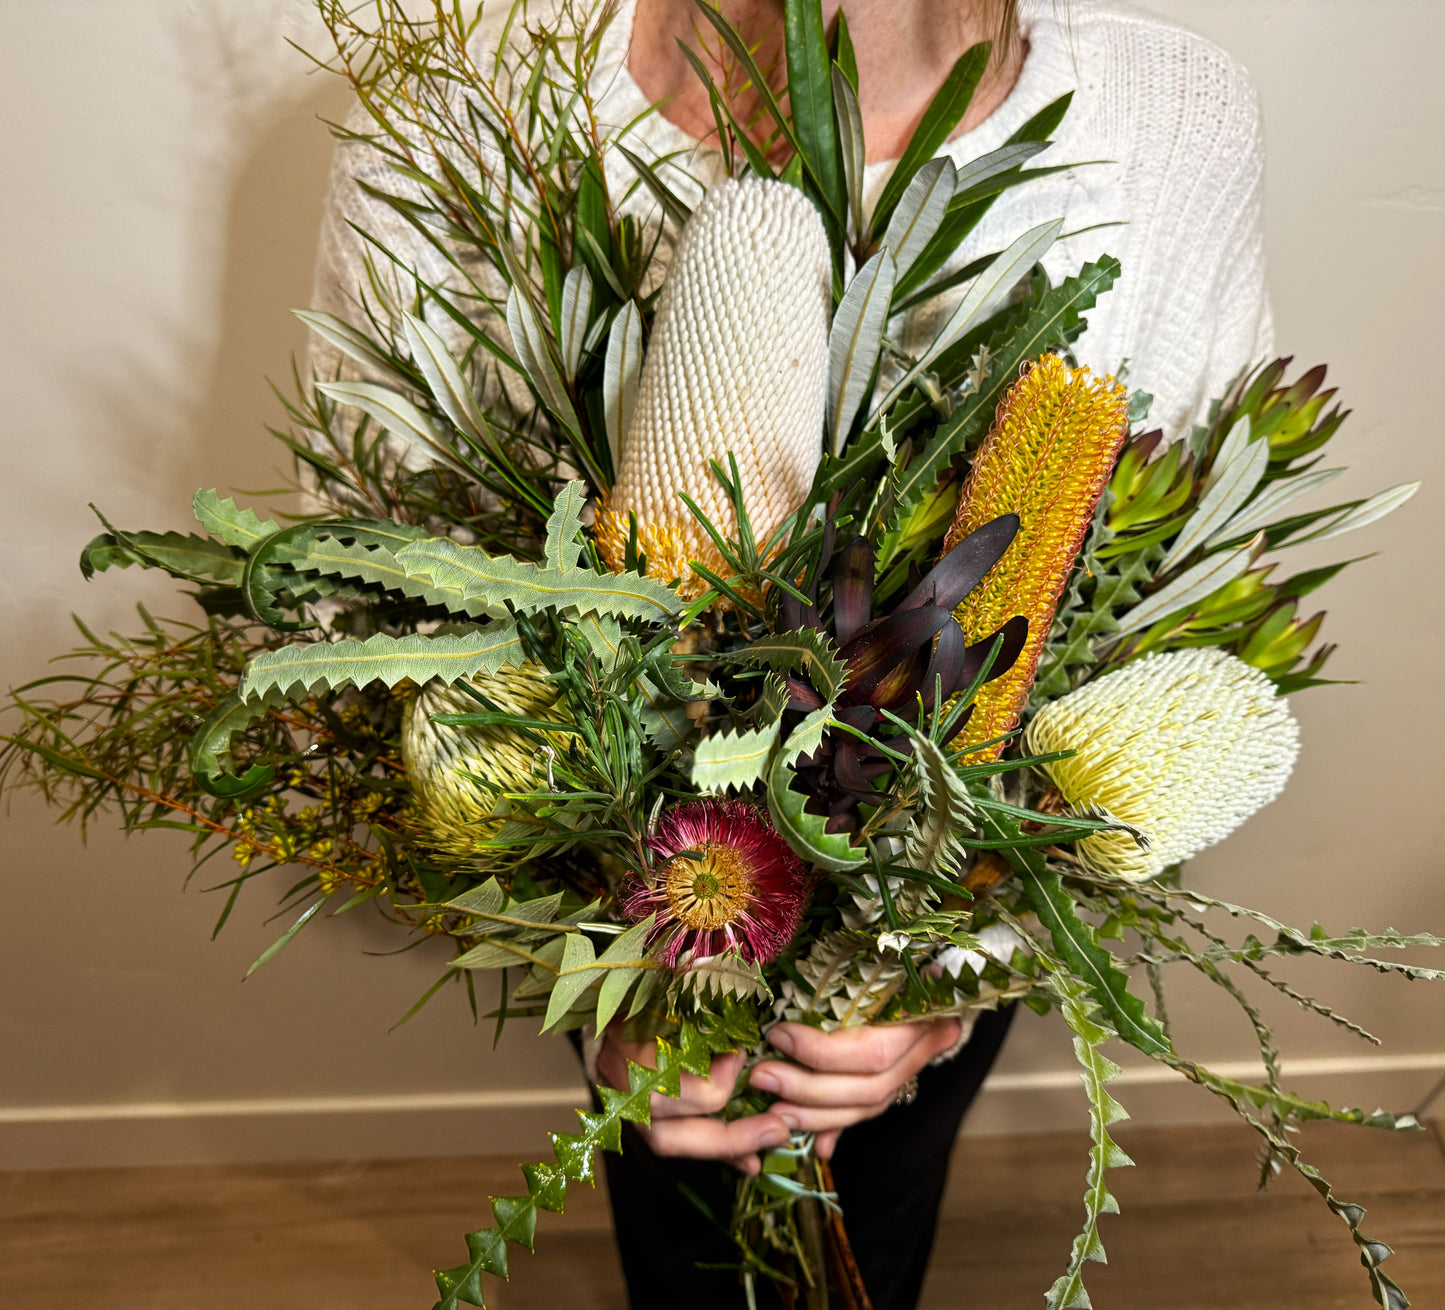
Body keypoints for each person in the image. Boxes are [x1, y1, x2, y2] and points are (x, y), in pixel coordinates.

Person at [310, 2, 1272, 1305]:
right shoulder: (454, 104)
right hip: (632, 909)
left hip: (941, 912)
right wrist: (587, 958)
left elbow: (1181, 611)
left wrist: (947, 974)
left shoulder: (1171, 119)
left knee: (880, 1201)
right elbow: (356, 602)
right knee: (683, 1237)